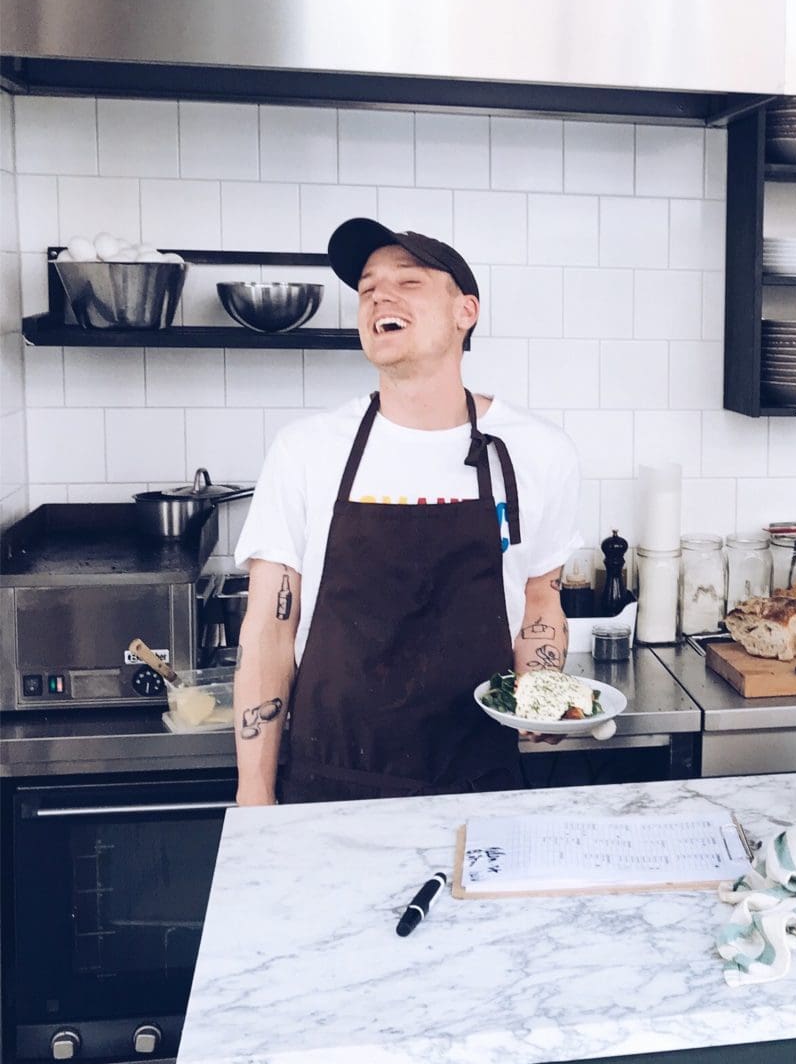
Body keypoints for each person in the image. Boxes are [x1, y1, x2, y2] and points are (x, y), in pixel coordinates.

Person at [231, 218, 581, 805]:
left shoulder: (538, 450)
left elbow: (542, 596)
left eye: (408, 283)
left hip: (481, 786)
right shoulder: (307, 449)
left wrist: (541, 697)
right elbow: (268, 632)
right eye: (367, 289)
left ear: (465, 311)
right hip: (329, 784)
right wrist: (253, 799)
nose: (379, 298)